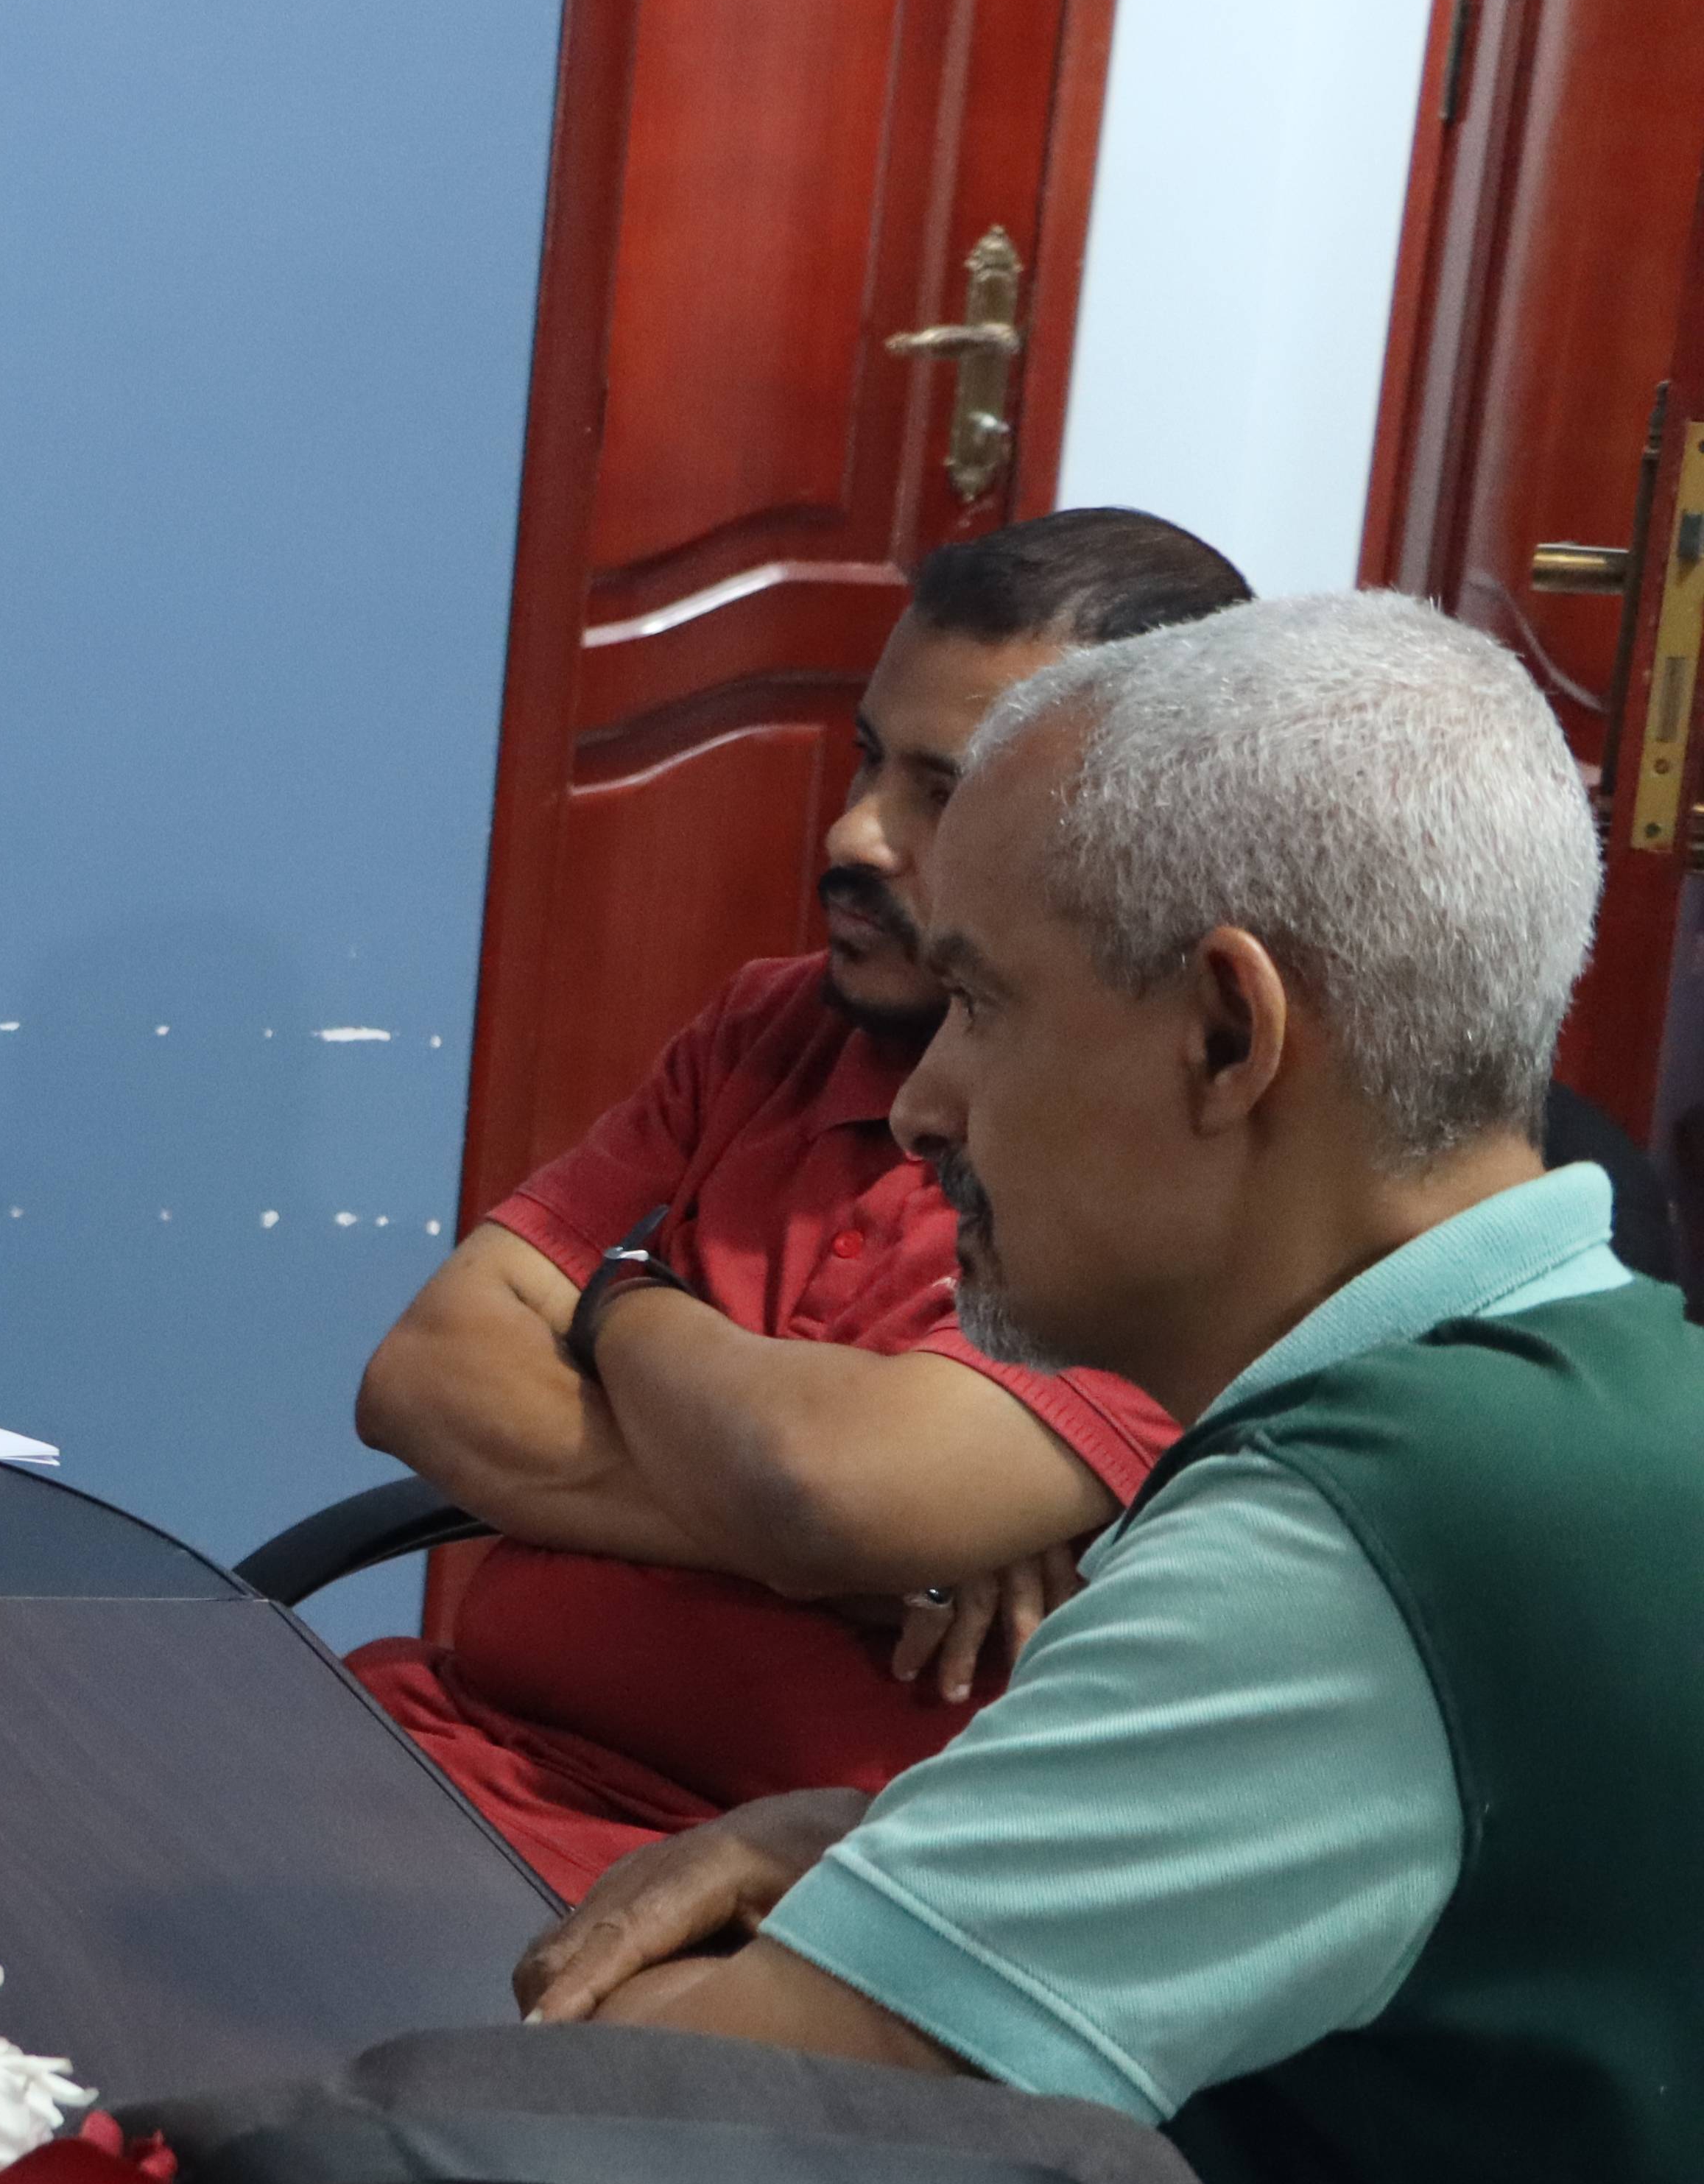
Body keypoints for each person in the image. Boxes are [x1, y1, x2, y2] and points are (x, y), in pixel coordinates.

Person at [515, 591, 1704, 2184]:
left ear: (1232, 1031)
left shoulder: (1373, 1536)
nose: (924, 1104)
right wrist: (873, 1826)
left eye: (982, 1003)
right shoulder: (1610, 1390)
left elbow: (647, 2131)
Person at [342, 510, 1246, 1897]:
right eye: (871, 757)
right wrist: (834, 1557)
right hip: (440, 1746)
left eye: (945, 792)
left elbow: (829, 1488)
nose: (854, 830)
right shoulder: (775, 1024)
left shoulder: (1166, 1149)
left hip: (751, 1898)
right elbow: (424, 1376)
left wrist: (609, 1302)